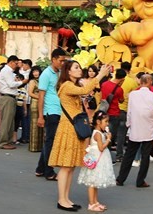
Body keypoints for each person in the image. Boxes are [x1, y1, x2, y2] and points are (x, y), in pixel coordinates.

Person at [49, 60, 110, 211]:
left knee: (70, 167)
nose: (79, 70)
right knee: (65, 166)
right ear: (68, 71)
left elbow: (87, 92)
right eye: (76, 67)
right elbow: (85, 91)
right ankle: (62, 200)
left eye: (78, 67)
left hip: (73, 127)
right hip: (68, 127)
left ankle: (66, 198)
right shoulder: (67, 85)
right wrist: (101, 74)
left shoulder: (73, 85)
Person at [116, 74, 153, 188]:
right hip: (148, 128)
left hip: (135, 128)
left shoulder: (133, 95)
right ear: (150, 81)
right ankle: (140, 180)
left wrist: (129, 124)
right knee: (145, 156)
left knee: (129, 154)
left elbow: (129, 111)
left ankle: (121, 178)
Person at [35, 49, 66, 180]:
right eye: (60, 60)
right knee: (51, 142)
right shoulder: (46, 74)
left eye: (64, 60)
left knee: (50, 141)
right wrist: (40, 116)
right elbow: (40, 96)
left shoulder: (58, 73)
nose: (62, 63)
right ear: (53, 59)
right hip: (50, 111)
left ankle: (40, 168)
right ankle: (49, 171)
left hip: (58, 110)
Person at [77, 111, 115, 212]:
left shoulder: (98, 132)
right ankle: (91, 203)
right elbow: (101, 148)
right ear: (98, 122)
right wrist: (108, 139)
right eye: (105, 121)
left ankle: (95, 201)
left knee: (95, 182)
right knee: (92, 183)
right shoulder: (97, 134)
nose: (107, 123)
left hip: (97, 159)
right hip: (96, 160)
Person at [0, 55, 28, 150]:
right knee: (6, 121)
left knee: (10, 121)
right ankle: (3, 142)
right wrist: (22, 82)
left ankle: (8, 140)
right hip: (7, 96)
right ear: (11, 62)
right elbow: (11, 84)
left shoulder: (10, 72)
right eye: (16, 63)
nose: (17, 65)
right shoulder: (6, 71)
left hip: (11, 97)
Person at [115, 61, 136, 163]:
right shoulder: (132, 81)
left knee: (111, 132)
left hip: (113, 109)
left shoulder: (114, 79)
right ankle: (119, 155)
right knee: (121, 133)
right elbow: (135, 96)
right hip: (124, 109)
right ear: (129, 69)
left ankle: (107, 154)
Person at [101, 69, 125, 147]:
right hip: (114, 113)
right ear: (122, 79)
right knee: (111, 134)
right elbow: (121, 100)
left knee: (103, 132)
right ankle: (108, 150)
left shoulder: (104, 84)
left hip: (104, 111)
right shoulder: (119, 89)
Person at [28, 66, 44, 152]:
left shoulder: (42, 80)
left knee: (41, 124)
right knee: (35, 124)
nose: (35, 73)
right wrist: (39, 97)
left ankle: (40, 146)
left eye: (37, 71)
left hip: (42, 103)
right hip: (35, 102)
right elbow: (30, 93)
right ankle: (33, 146)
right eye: (33, 72)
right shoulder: (32, 81)